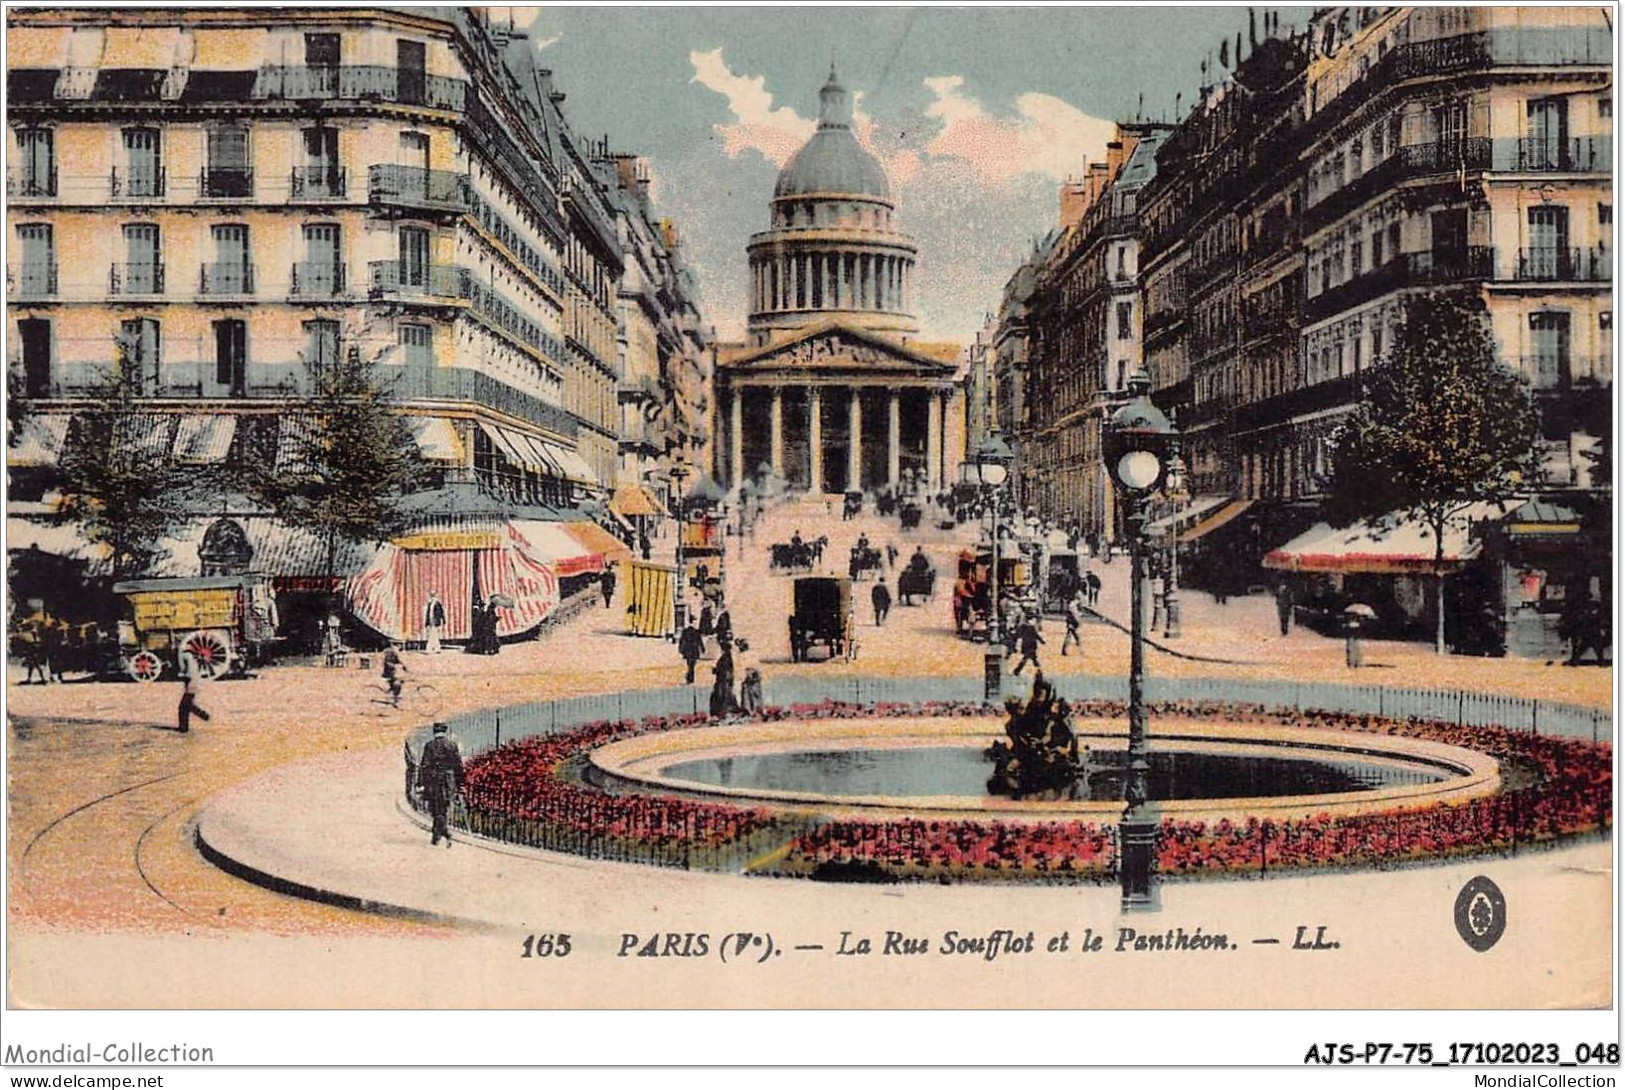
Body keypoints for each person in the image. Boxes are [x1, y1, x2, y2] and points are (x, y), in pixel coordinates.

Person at [416, 721, 465, 848]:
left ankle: (445, 834)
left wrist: (420, 782)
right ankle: (436, 836)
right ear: (445, 732)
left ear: (434, 732)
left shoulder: (429, 746)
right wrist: (460, 784)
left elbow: (424, 765)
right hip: (448, 781)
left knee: (435, 809)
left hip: (433, 781)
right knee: (442, 808)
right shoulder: (451, 745)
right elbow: (458, 766)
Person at [177, 650, 211, 733]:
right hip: (193, 684)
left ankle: (184, 727)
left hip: (191, 684)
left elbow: (189, 673)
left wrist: (182, 675)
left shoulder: (187, 656)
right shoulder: (193, 659)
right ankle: (203, 716)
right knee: (187, 705)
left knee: (184, 707)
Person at [710, 639, 736, 718]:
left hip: (723, 680)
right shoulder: (727, 657)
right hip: (723, 680)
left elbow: (724, 669)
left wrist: (715, 670)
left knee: (722, 696)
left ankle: (722, 712)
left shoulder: (725, 657)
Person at [678, 616, 705, 684]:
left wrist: (681, 650)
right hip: (694, 651)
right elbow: (700, 641)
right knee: (691, 665)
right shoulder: (695, 632)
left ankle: (689, 678)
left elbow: (681, 641)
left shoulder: (685, 631)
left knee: (690, 665)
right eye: (694, 622)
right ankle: (690, 678)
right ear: (692, 622)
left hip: (688, 651)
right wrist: (702, 649)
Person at [381, 642, 406, 707]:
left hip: (394, 672)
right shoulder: (388, 651)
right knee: (397, 683)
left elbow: (398, 660)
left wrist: (404, 666)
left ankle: (394, 697)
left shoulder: (395, 652)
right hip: (388, 672)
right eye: (398, 645)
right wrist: (394, 666)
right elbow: (387, 662)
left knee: (400, 683)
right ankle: (394, 698)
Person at [1061, 592, 1084, 657]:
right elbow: (1074, 614)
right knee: (1074, 636)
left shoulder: (1072, 604)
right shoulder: (1073, 605)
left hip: (1071, 621)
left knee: (1071, 635)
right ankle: (1079, 650)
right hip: (1073, 622)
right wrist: (1078, 621)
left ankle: (1065, 650)